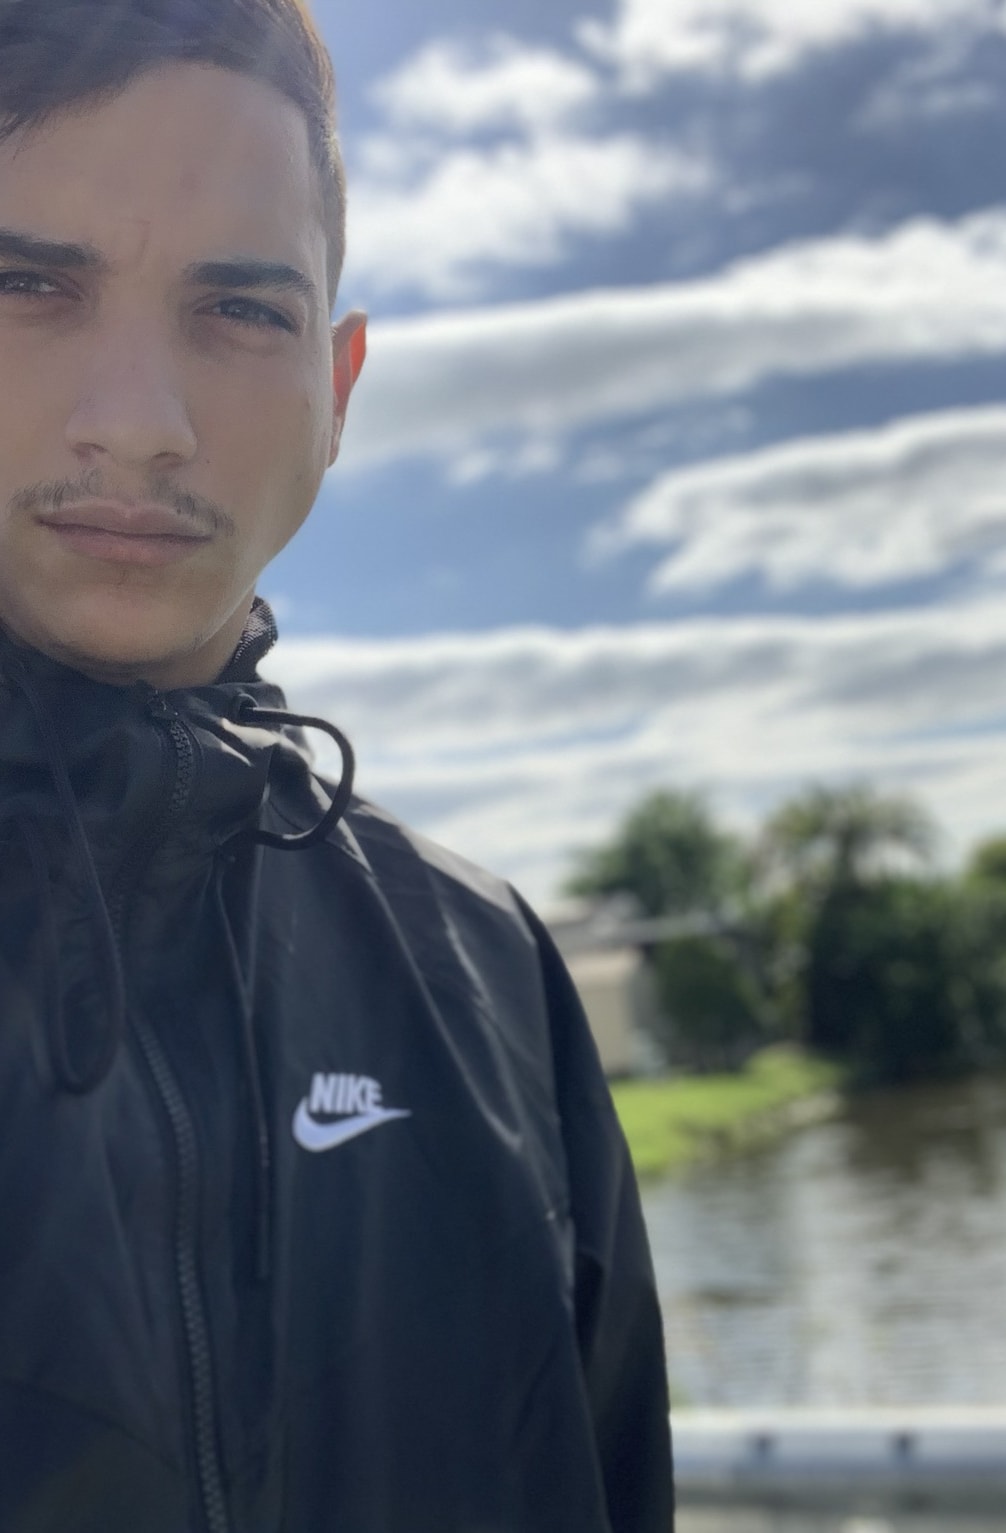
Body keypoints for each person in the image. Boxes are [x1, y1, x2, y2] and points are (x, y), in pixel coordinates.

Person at [0, 1, 674, 1529]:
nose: (139, 425)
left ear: (339, 385)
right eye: (28, 283)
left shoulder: (487, 971)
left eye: (241, 309)